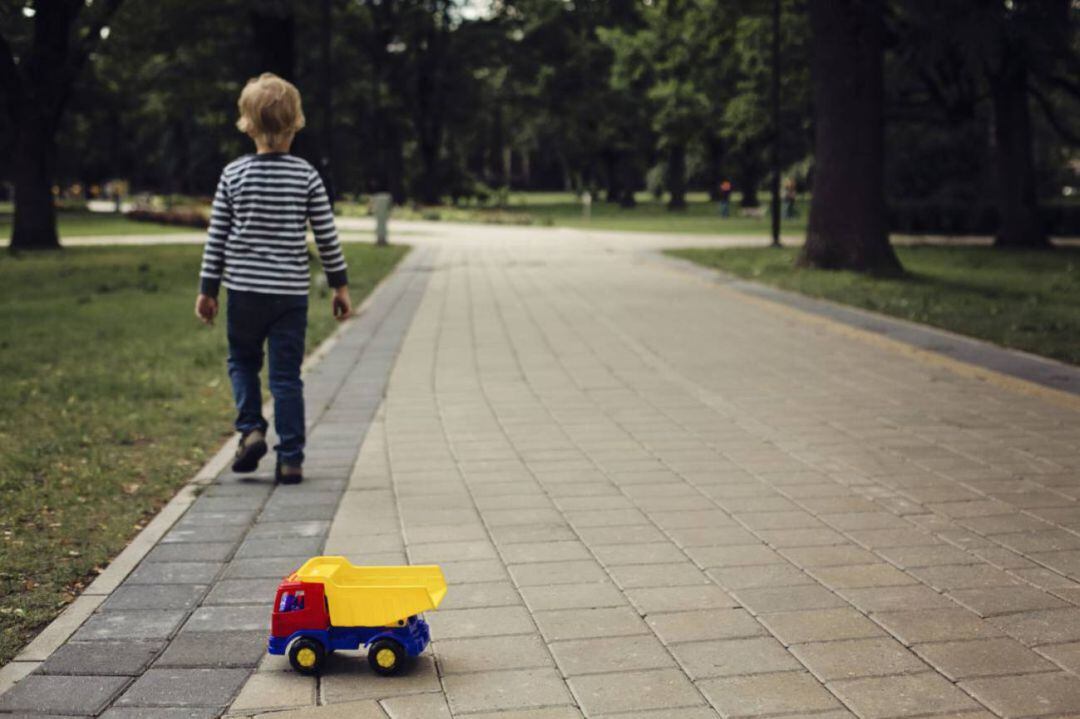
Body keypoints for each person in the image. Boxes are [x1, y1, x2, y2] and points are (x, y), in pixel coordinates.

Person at [194, 73, 352, 485]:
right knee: (285, 377)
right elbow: (327, 236)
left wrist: (208, 289)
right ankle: (292, 458)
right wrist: (340, 286)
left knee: (242, 362)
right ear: (296, 122)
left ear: (246, 124)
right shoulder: (307, 176)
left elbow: (217, 237)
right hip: (289, 296)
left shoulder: (233, 175)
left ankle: (250, 429)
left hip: (244, 292)